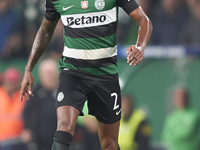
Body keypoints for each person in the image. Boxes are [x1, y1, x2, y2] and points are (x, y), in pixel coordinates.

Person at [20, 0, 153, 149]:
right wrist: (29, 68)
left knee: (109, 143)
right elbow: (45, 30)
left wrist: (140, 47)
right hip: (72, 73)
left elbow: (144, 20)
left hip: (105, 74)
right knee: (64, 127)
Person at [22, 59, 58, 150]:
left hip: (60, 139)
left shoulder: (63, 92)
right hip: (39, 139)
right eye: (47, 73)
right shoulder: (35, 93)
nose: (50, 76)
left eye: (52, 73)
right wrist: (27, 129)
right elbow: (27, 112)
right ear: (41, 75)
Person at [0, 68, 28, 150]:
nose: (11, 83)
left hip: (19, 141)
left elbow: (31, 116)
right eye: (9, 81)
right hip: (2, 141)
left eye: (13, 81)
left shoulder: (25, 96)